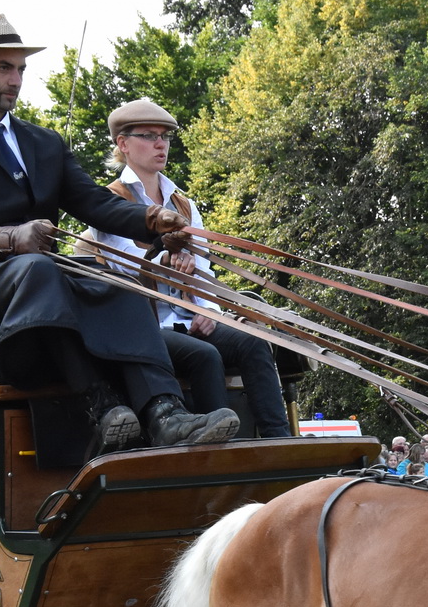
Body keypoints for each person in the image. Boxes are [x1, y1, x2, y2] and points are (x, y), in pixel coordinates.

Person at [0, 13, 237, 451]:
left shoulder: (44, 142)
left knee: (116, 273)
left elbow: (94, 202)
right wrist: (10, 238)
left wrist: (151, 219)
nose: (16, 80)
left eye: (21, 69)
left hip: (42, 278)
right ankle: (98, 403)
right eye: (5, 68)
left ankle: (165, 412)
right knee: (40, 268)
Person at [82, 98, 292, 438]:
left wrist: (208, 310)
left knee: (254, 343)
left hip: (186, 318)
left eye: (164, 136)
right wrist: (166, 260)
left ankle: (279, 441)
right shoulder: (109, 201)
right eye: (148, 135)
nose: (160, 144)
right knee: (206, 355)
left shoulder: (184, 203)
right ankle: (218, 449)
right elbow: (123, 261)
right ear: (123, 143)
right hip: (145, 328)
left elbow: (205, 264)